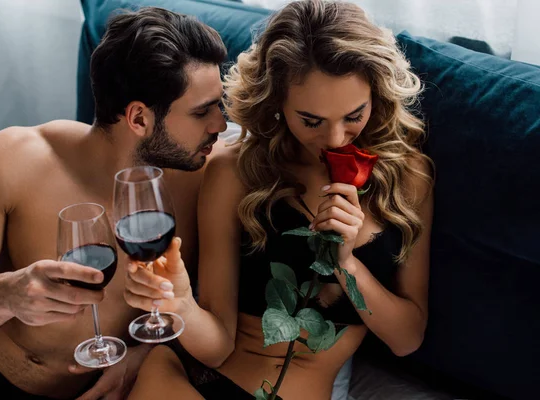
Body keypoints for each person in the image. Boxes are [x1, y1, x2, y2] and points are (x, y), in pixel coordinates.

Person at [123, 1, 434, 399]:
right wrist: (181, 302)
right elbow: (217, 348)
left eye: (354, 115)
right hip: (195, 383)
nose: (336, 139)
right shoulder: (234, 173)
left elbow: (407, 339)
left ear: (377, 92)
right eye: (311, 121)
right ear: (277, 104)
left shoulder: (409, 178)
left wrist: (346, 262)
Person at [0, 7, 228, 400]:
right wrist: (3, 296)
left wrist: (145, 354)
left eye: (220, 104)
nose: (221, 125)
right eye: (202, 112)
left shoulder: (206, 177)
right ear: (139, 118)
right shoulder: (13, 160)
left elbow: (209, 323)